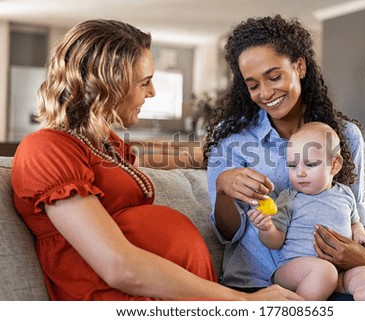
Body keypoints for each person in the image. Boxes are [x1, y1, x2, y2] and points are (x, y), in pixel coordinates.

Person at [10, 19, 301, 301]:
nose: (152, 92)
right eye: (144, 82)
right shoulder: (45, 149)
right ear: (107, 83)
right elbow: (118, 266)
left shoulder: (106, 144)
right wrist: (241, 300)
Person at [203, 15, 365, 296]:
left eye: (274, 76)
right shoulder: (232, 139)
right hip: (254, 284)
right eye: (253, 85)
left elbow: (356, 214)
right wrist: (223, 187)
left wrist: (364, 256)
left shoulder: (345, 135)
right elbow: (227, 233)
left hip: (330, 281)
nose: (266, 92)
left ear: (300, 66)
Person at [247, 122, 365, 301]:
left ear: (335, 165)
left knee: (364, 271)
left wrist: (361, 234)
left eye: (310, 164)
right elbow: (275, 242)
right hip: (294, 269)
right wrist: (266, 228)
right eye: (292, 165)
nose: (299, 173)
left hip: (338, 271)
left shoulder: (345, 194)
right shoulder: (289, 198)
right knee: (325, 271)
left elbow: (355, 222)